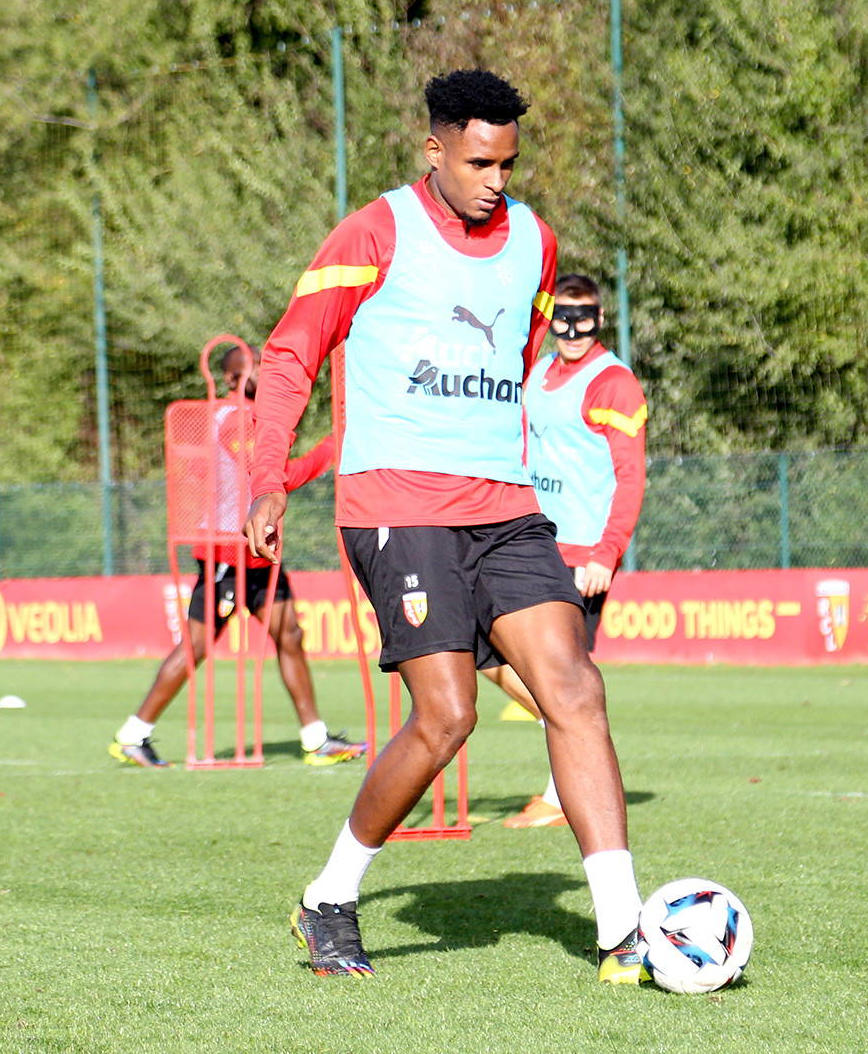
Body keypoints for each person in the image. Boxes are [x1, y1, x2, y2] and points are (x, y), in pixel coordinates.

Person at [242, 68, 648, 983]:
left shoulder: (535, 242)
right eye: (477, 163)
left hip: (505, 508)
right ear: (434, 150)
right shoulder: (375, 232)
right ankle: (330, 898)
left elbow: (520, 354)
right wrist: (269, 479)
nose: (495, 181)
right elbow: (291, 353)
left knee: (575, 689)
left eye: (507, 164)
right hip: (396, 506)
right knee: (448, 715)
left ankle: (623, 931)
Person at [108, 342, 366, 769]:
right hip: (228, 551)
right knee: (196, 645)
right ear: (231, 379)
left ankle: (316, 739)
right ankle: (133, 735)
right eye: (256, 367)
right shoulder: (233, 419)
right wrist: (330, 448)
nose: (265, 373)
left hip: (256, 549)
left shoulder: (248, 417)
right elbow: (279, 477)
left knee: (290, 636)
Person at [480, 273, 648, 829]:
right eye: (563, 318)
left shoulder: (614, 383)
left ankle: (561, 795)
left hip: (583, 553)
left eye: (585, 318)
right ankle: (575, 737)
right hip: (530, 539)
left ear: (600, 318)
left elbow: (631, 478)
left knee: (563, 673)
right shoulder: (539, 372)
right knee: (488, 651)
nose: (573, 330)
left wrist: (607, 553)